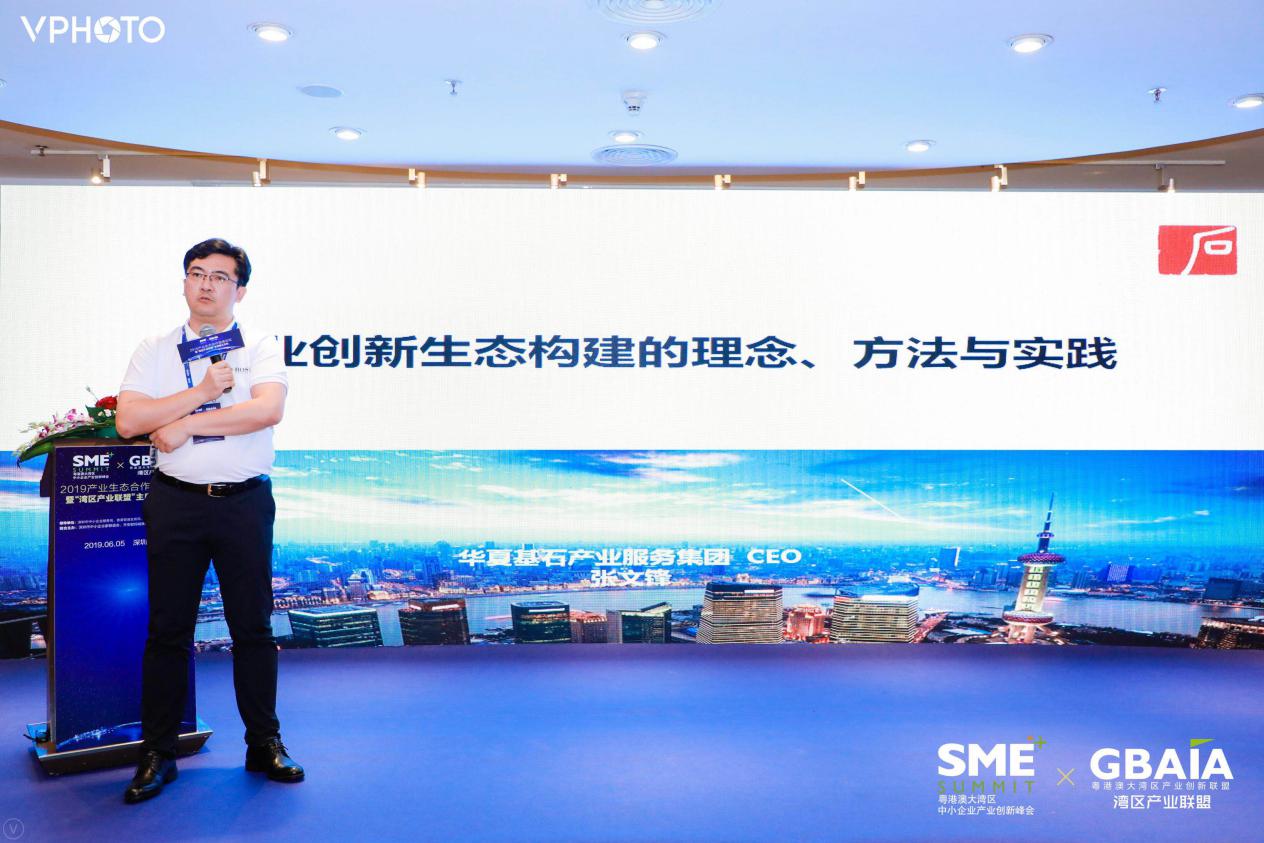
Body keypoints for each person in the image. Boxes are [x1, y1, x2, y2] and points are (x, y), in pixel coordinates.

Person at [115, 238, 302, 804]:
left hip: (244, 504)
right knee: (167, 631)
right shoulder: (155, 348)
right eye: (197, 273)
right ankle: (158, 752)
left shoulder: (260, 346)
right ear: (184, 283)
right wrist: (199, 394)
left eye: (220, 277)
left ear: (239, 290)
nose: (206, 284)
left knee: (253, 630)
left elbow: (267, 410)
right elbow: (129, 421)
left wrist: (188, 423)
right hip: (176, 503)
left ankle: (263, 743)